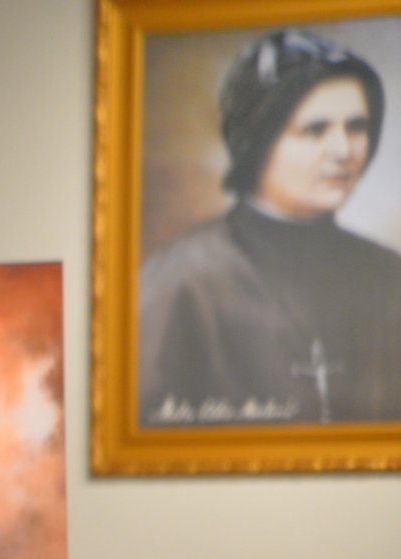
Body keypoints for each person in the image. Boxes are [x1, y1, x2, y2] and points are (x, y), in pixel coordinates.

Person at [139, 28, 401, 426]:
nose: (344, 150)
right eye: (315, 130)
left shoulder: (388, 274)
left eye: (357, 127)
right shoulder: (179, 284)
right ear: (258, 141)